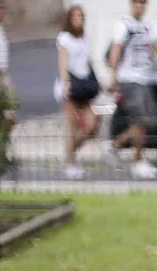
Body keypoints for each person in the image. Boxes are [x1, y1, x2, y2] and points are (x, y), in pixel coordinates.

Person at [104, 0, 157, 180]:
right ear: (132, 5)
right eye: (138, 3)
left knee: (148, 121)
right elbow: (115, 52)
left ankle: (115, 145)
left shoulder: (145, 27)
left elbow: (155, 52)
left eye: (144, 4)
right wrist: (113, 77)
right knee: (140, 120)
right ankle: (138, 161)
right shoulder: (124, 25)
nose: (141, 7)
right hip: (129, 79)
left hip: (143, 78)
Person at [55, 5, 98, 180]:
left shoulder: (85, 38)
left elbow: (88, 61)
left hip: (85, 84)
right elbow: (63, 63)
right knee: (71, 126)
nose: (79, 19)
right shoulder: (64, 38)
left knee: (91, 125)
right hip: (71, 85)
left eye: (81, 16)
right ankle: (70, 162)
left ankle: (68, 153)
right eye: (75, 16)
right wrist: (66, 83)